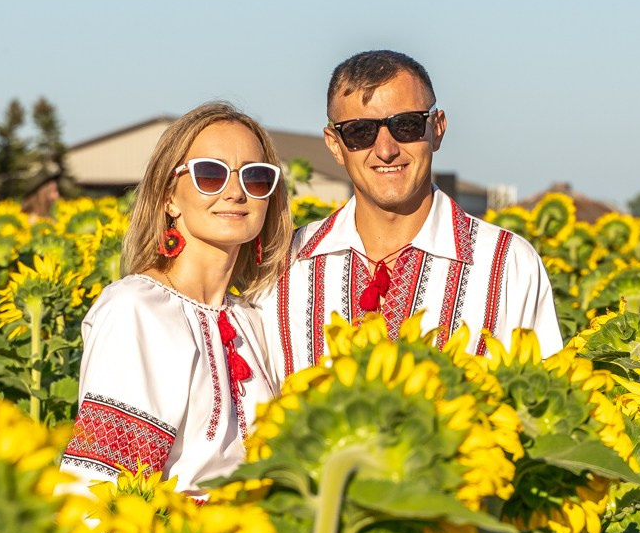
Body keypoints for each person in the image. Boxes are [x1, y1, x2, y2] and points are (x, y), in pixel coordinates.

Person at [255, 49, 561, 375]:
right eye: (361, 131)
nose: (386, 150)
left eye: (407, 125)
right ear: (334, 144)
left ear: (438, 128)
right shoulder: (285, 267)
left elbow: (539, 397)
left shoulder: (508, 264)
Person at [62, 102, 291, 493]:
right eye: (210, 174)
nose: (235, 192)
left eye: (255, 178)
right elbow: (103, 492)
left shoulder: (255, 319)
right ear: (170, 196)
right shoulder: (136, 309)